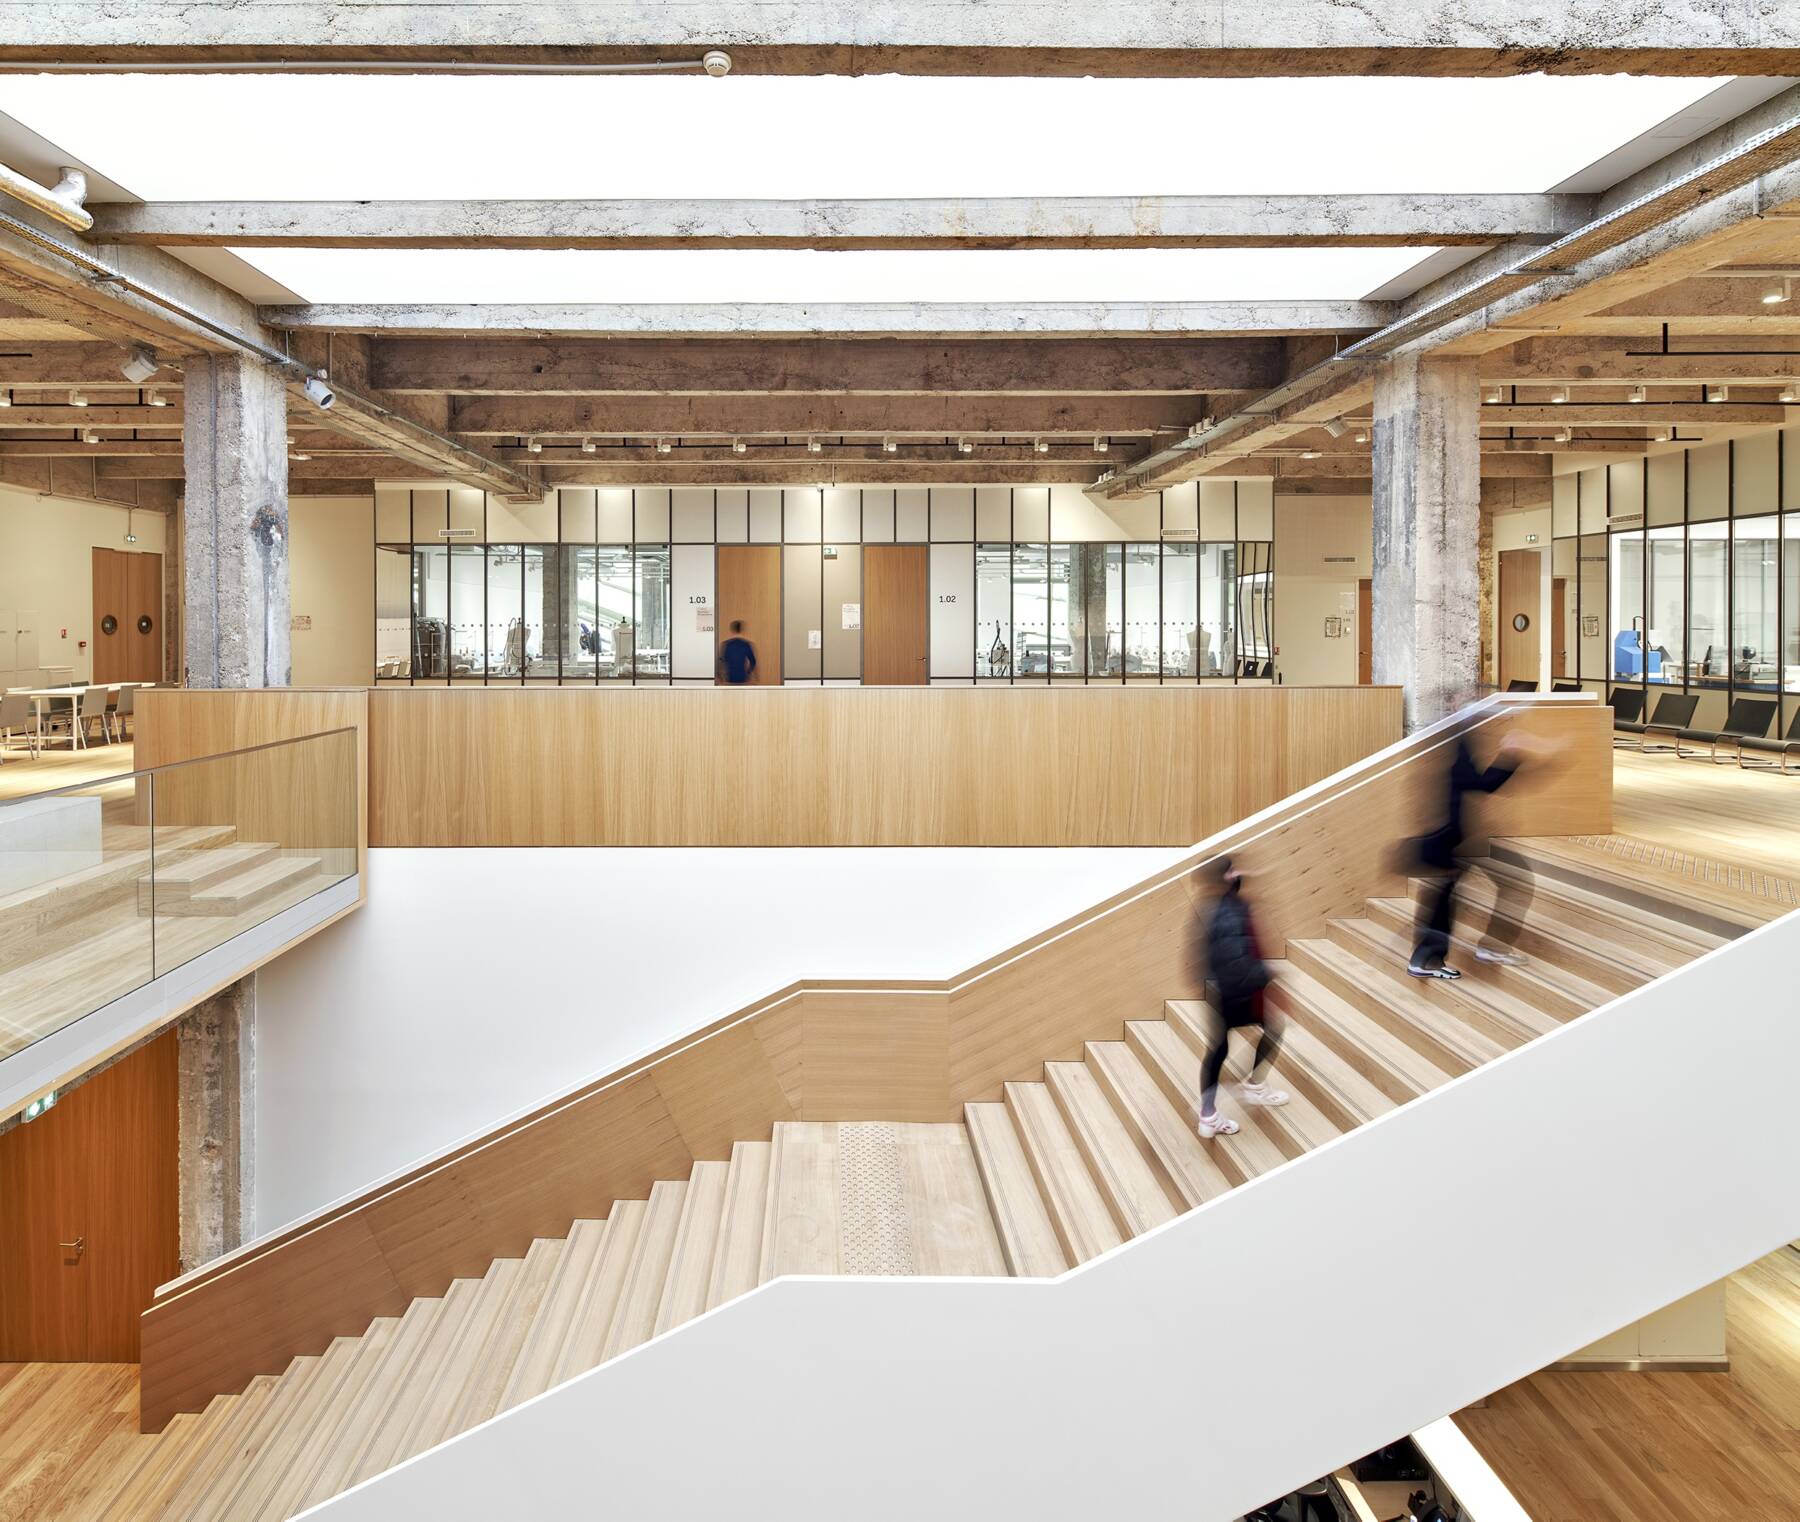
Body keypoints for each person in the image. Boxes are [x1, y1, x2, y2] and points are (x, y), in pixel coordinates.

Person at [1406, 726, 1555, 980]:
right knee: (1515, 881)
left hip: (1454, 835)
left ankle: (1432, 957)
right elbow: (1481, 784)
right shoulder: (1456, 737)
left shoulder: (1444, 734)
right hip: (1459, 837)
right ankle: (1479, 950)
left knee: (1445, 896)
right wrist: (1512, 754)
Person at [1197, 856, 1287, 1139]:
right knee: (1274, 1029)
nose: (1239, 873)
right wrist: (1267, 973)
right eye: (1233, 870)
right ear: (1226, 877)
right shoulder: (1233, 911)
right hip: (1241, 991)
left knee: (1218, 1049)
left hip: (1220, 990)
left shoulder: (1210, 908)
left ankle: (1208, 1114)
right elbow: (1237, 955)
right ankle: (1255, 1087)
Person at [717, 620, 757, 685]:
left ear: (732, 630)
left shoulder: (726, 644)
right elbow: (753, 661)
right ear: (741, 629)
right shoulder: (746, 644)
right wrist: (748, 672)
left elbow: (721, 661)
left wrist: (720, 676)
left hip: (729, 678)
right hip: (743, 678)